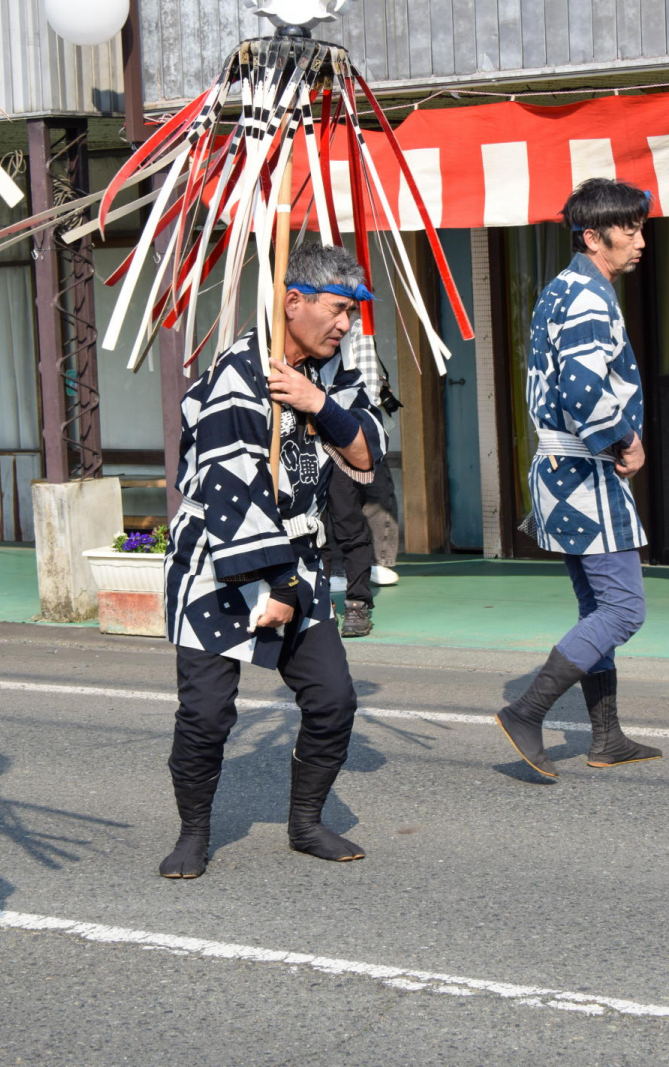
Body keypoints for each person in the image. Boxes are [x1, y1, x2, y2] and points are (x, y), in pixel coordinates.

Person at [161, 244, 386, 878]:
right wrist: (276, 581)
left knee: (334, 699)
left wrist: (319, 404)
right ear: (294, 301)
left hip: (302, 558)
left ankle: (307, 822)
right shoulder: (240, 366)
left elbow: (369, 455)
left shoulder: (335, 370)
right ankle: (193, 833)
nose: (344, 326)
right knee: (206, 715)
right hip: (220, 562)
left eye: (350, 314)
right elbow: (230, 484)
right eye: (336, 311)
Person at [495, 178, 662, 778]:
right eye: (630, 229)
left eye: (641, 227)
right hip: (585, 473)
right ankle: (527, 710)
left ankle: (606, 736)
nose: (640, 241)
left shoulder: (561, 287)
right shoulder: (590, 297)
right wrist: (625, 440)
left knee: (597, 604)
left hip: (558, 470)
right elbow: (584, 390)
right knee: (622, 609)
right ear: (594, 236)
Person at [325, 322, 401, 638]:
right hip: (299, 436)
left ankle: (357, 603)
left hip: (343, 434)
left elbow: (369, 388)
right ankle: (316, 602)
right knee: (306, 527)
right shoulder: (284, 326)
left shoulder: (354, 327)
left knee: (349, 521)